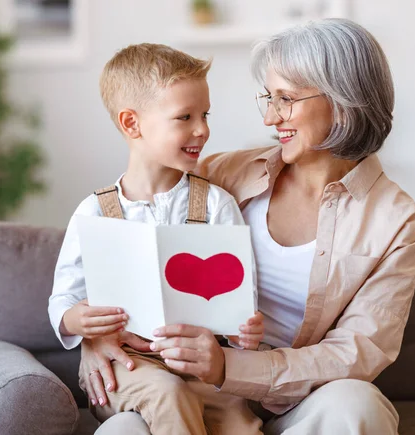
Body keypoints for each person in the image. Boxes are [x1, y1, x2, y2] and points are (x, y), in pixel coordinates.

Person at [82, 18, 415, 435]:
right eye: (268, 97)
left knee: (357, 405)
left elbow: (357, 353)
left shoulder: (397, 222)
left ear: (343, 101)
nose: (269, 117)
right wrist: (95, 337)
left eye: (285, 99)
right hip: (190, 396)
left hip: (295, 404)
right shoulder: (220, 174)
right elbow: (122, 244)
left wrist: (230, 367)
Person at [48, 43, 264, 434]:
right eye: (184, 117)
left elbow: (240, 296)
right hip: (127, 365)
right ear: (132, 124)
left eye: (205, 115)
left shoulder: (217, 204)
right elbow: (63, 298)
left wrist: (243, 328)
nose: (202, 129)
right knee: (167, 394)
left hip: (200, 360)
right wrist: (79, 320)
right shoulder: (94, 212)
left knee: (239, 422)